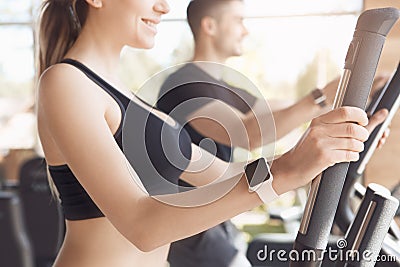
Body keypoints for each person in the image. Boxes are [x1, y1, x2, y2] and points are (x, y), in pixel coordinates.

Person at [35, 1, 387, 267]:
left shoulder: (132, 100)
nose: (164, 6)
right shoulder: (67, 83)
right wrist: (287, 170)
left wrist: (329, 152)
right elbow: (142, 226)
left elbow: (225, 172)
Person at [156, 1, 389, 266]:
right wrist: (324, 94)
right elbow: (250, 132)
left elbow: (282, 111)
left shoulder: (225, 89)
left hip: (217, 227)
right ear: (210, 25)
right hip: (190, 236)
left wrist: (356, 112)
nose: (245, 31)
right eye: (238, 21)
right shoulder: (183, 85)